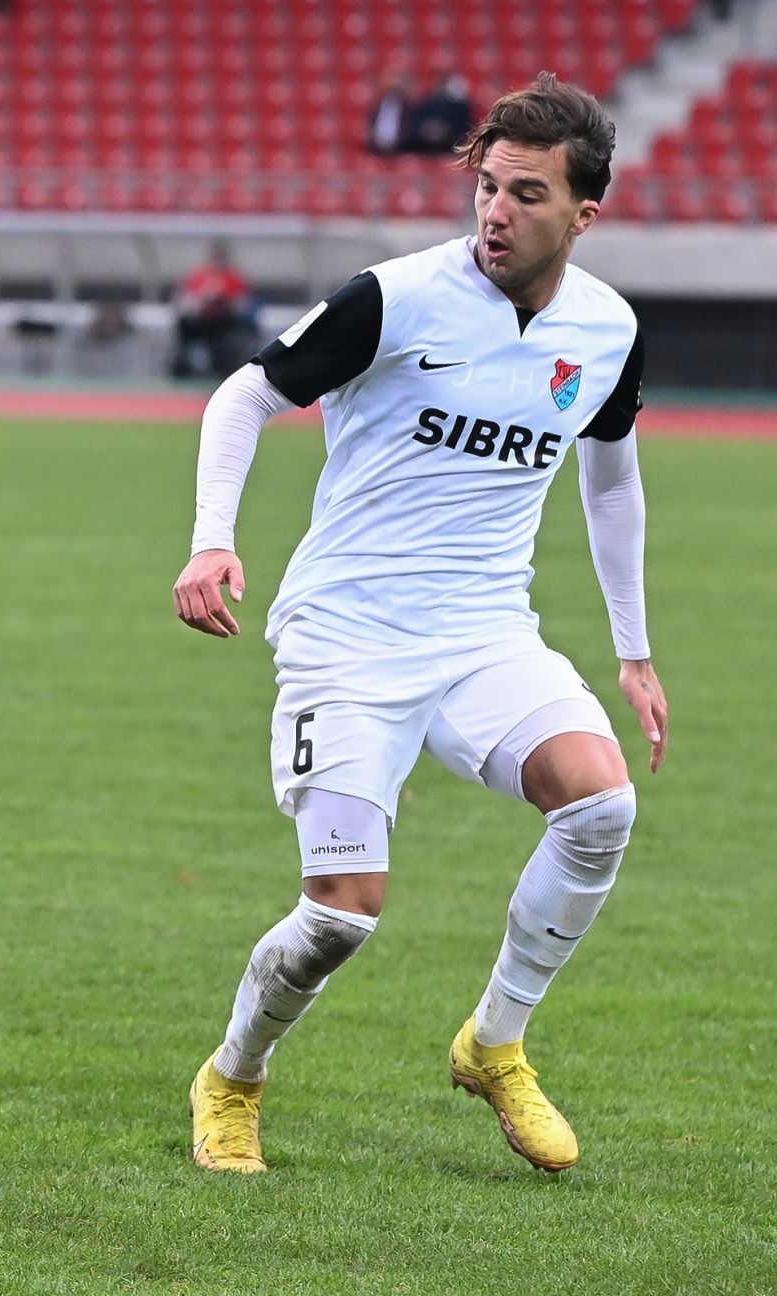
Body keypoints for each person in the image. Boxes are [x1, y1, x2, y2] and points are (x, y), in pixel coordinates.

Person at [173, 73, 667, 1175]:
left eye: (526, 193)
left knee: (599, 804)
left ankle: (495, 1045)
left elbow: (612, 480)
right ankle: (232, 1077)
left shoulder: (607, 329)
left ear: (583, 214)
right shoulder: (395, 297)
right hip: (347, 636)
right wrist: (213, 538)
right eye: (487, 186)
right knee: (343, 916)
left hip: (486, 633)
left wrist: (632, 651)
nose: (496, 211)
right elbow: (245, 395)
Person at [169, 241, 255, 379]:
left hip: (225, 323)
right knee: (183, 325)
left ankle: (223, 369)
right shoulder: (199, 276)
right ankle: (181, 368)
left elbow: (243, 305)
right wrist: (203, 299)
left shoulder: (233, 278)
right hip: (201, 321)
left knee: (226, 340)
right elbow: (185, 302)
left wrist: (224, 299)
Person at [407, 72, 477, 156]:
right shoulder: (425, 104)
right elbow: (413, 126)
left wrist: (445, 131)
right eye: (439, 83)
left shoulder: (459, 107)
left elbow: (466, 129)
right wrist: (427, 130)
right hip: (424, 148)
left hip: (450, 149)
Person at [368, 68, 416, 156]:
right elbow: (369, 128)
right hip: (375, 150)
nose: (394, 86)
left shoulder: (409, 108)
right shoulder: (376, 106)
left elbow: (410, 131)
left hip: (400, 152)